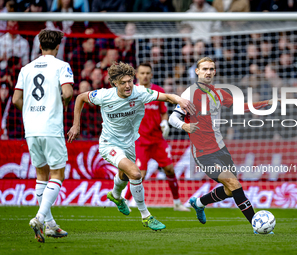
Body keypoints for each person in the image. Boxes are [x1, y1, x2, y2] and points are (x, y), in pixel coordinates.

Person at [67, 62, 195, 231]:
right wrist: (76, 125)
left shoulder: (139, 92)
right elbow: (80, 98)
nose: (128, 85)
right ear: (114, 83)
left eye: (129, 81)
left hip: (129, 144)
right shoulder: (104, 95)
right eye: (123, 82)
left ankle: (115, 195)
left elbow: (165, 97)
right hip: (109, 144)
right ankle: (146, 216)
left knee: (124, 175)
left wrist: (179, 99)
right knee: (135, 173)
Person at [168, 57, 275, 234]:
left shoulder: (218, 93)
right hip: (202, 152)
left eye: (211, 69)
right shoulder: (189, 93)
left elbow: (241, 107)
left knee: (229, 189)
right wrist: (184, 125)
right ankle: (257, 225)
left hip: (220, 148)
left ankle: (199, 202)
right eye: (204, 69)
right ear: (197, 71)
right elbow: (173, 118)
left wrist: (266, 103)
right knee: (234, 183)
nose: (208, 72)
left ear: (215, 71)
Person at [12, 29, 73, 242]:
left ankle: (50, 225)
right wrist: (63, 105)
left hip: (31, 128)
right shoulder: (62, 65)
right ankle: (38, 218)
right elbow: (67, 93)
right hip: (51, 126)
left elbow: (16, 99)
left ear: (39, 46)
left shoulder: (25, 68)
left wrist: (29, 114)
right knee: (57, 174)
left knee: (41, 174)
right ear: (57, 47)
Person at [125, 62, 190, 211]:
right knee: (138, 174)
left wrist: (164, 122)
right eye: (142, 73)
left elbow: (163, 112)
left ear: (151, 74)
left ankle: (177, 203)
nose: (145, 76)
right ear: (137, 75)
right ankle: (125, 201)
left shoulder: (158, 91)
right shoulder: (131, 92)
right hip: (141, 140)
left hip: (158, 140)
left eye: (148, 73)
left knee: (170, 170)